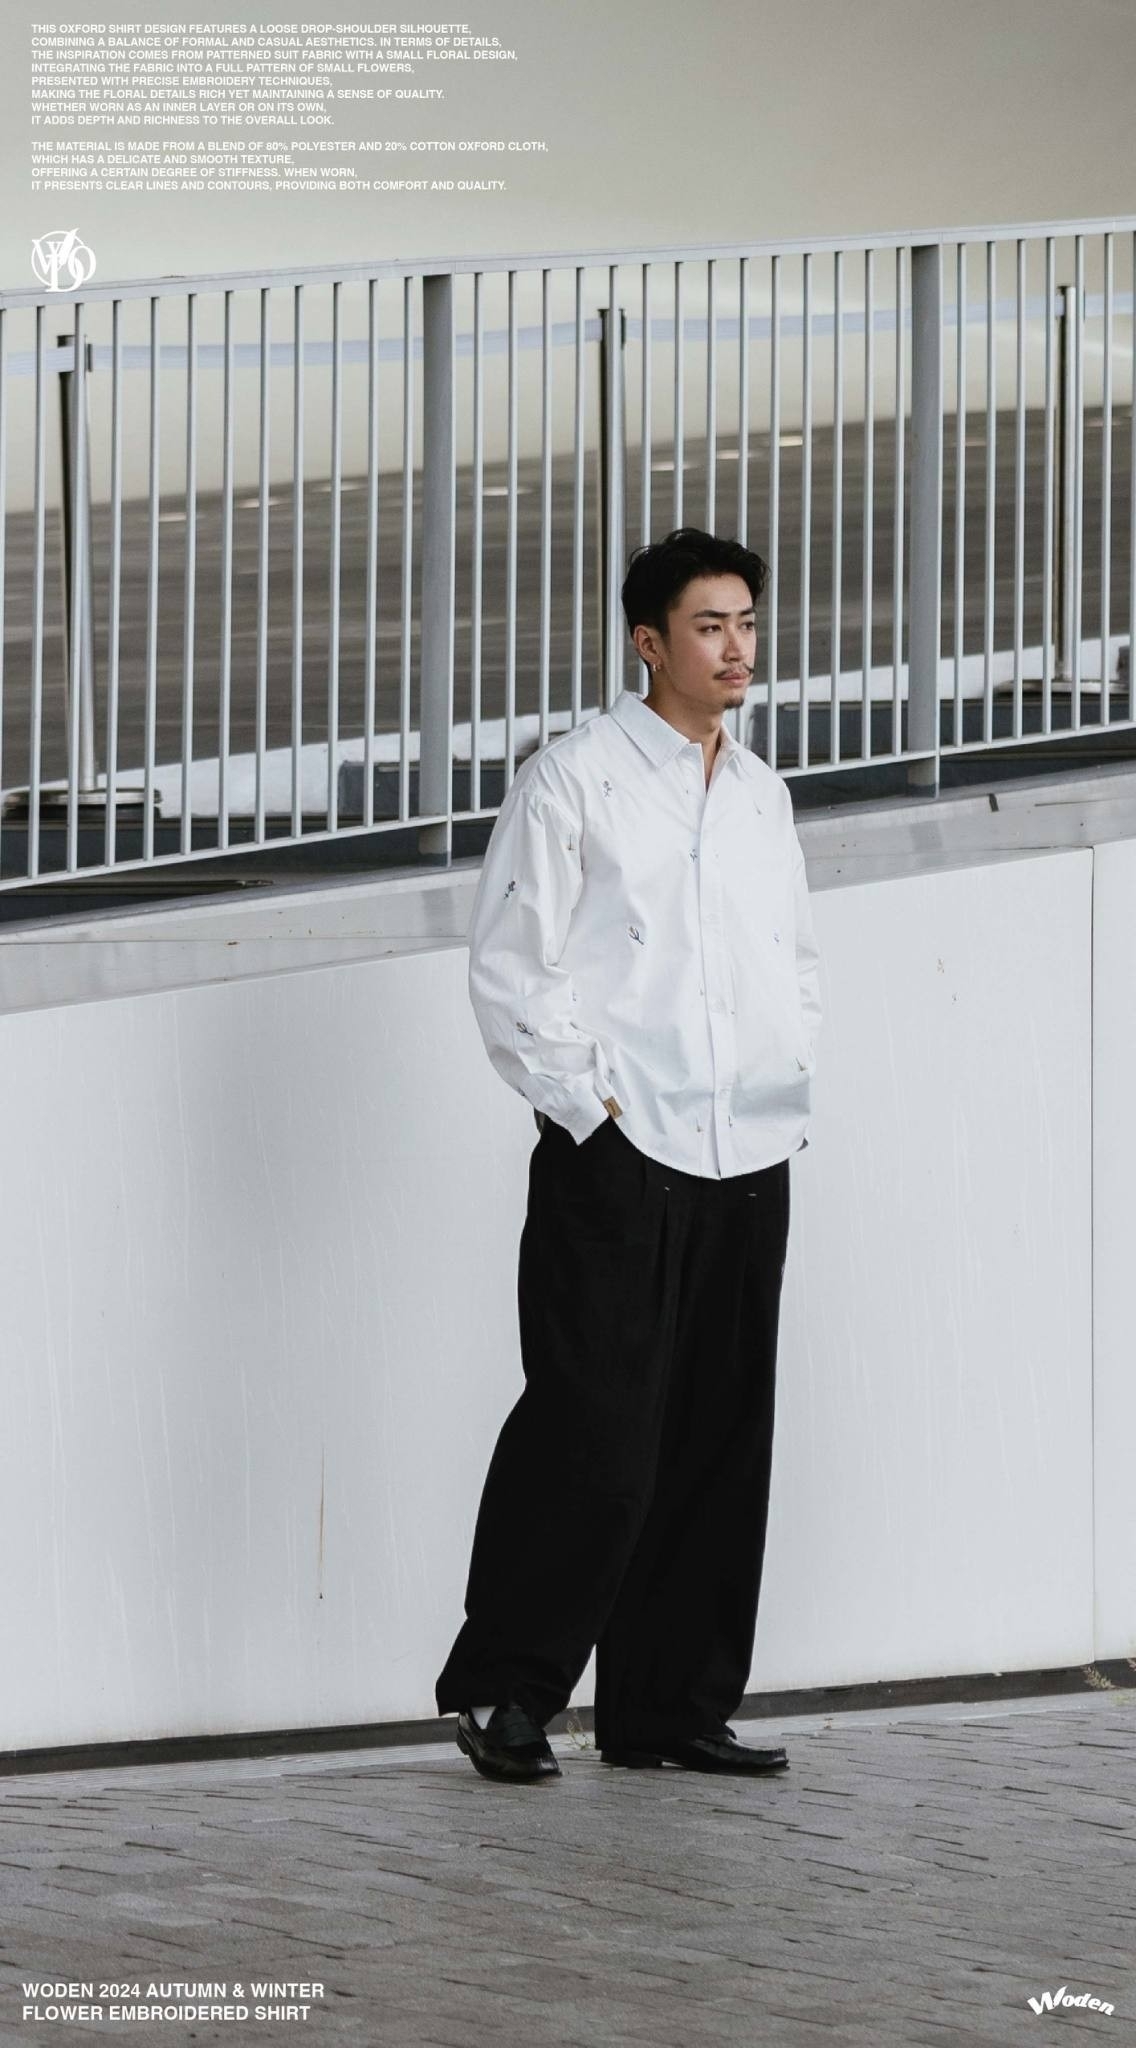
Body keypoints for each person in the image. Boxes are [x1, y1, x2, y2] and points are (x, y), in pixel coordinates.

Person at [434, 527, 822, 1784]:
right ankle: (504, 1690)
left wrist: (785, 1078)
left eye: (746, 622)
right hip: (619, 1150)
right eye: (709, 625)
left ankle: (666, 1707)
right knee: (591, 1430)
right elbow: (512, 965)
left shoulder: (759, 795)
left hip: (746, 1147)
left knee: (719, 1437)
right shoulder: (573, 781)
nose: (736, 647)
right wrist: (586, 1113)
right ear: (648, 642)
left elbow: (790, 960)